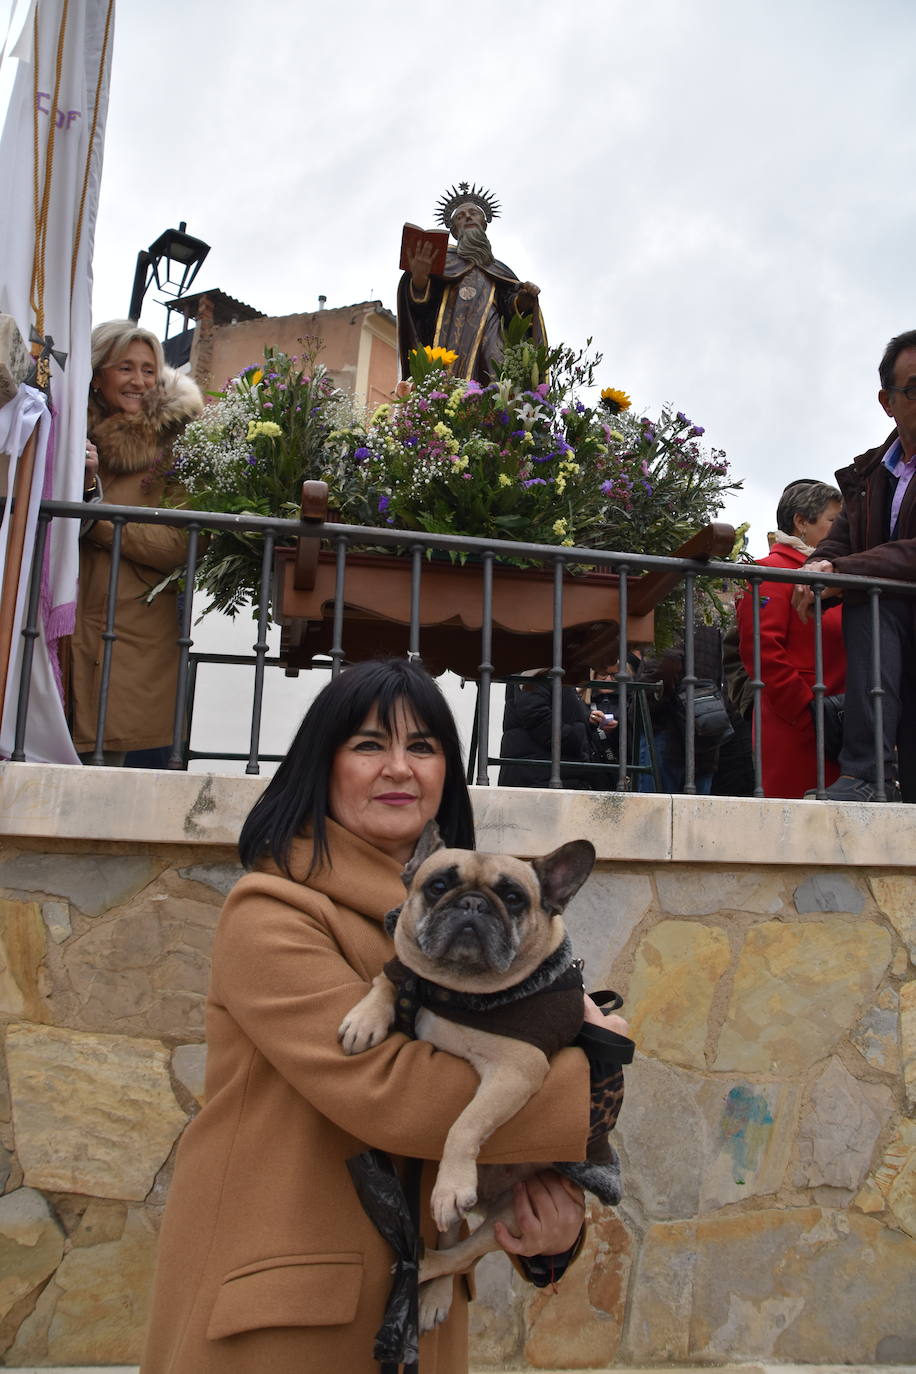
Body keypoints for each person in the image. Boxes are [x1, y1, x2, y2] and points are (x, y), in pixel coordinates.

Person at [141, 659, 621, 1374]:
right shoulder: (274, 912)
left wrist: (543, 1218)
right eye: (369, 745)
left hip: (419, 1314)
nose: (398, 767)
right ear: (321, 764)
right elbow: (391, 1092)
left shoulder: (475, 930)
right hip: (287, 1309)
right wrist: (594, 1079)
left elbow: (487, 1149)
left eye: (423, 747)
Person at [70, 320, 203, 765]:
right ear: (97, 374)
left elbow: (182, 546)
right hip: (62, 631)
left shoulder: (176, 446)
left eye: (149, 370)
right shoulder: (66, 433)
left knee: (109, 778)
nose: (139, 381)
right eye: (125, 367)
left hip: (132, 638)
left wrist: (97, 521)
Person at [793, 331, 916, 801]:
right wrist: (818, 566)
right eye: (915, 387)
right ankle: (867, 775)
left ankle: (869, 774)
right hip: (891, 652)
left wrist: (838, 569)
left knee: (867, 593)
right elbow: (837, 543)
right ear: (887, 401)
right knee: (869, 597)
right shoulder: (870, 474)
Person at [737, 479, 845, 798]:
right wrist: (806, 710)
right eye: (833, 522)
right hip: (798, 724)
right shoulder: (770, 571)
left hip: (837, 719)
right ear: (801, 522)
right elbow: (761, 650)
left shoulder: (833, 575)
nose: (841, 531)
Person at [397, 182, 546, 384]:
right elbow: (421, 312)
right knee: (448, 391)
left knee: (496, 388)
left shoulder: (499, 270)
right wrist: (421, 277)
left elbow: (510, 306)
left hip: (491, 337)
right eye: (460, 216)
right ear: (454, 230)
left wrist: (525, 298)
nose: (467, 217)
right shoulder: (443, 263)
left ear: (484, 223)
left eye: (473, 213)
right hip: (449, 339)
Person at [498, 668, 600, 789]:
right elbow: (535, 712)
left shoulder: (547, 667)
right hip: (541, 774)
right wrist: (573, 737)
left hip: (543, 772)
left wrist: (586, 719)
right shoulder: (539, 664)